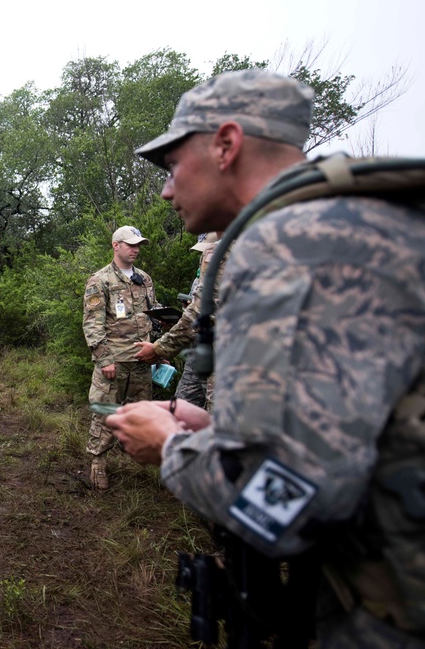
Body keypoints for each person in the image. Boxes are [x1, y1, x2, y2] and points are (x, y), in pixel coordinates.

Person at [106, 69, 425, 646]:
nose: (165, 190)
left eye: (172, 166)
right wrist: (226, 431)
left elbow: (288, 502)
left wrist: (173, 448)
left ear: (226, 145)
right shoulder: (370, 225)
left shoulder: (291, 247)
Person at [82, 225, 156, 490]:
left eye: (138, 245)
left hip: (141, 358)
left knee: (140, 411)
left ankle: (133, 457)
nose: (135, 249)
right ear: (116, 245)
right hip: (114, 360)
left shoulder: (145, 279)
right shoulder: (100, 280)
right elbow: (92, 325)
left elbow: (151, 316)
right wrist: (104, 360)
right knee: (106, 413)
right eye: (130, 244)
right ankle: (98, 464)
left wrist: (159, 349)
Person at [133, 231, 219, 409]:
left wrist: (159, 349)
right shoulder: (201, 275)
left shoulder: (227, 260)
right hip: (197, 351)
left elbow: (202, 313)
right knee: (181, 408)